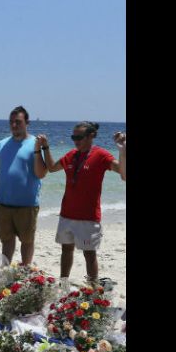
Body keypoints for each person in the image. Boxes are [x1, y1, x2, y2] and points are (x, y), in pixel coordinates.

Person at [33, 122, 126, 288]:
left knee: (89, 254)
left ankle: (93, 287)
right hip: (66, 214)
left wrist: (122, 151)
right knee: (66, 250)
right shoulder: (72, 154)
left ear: (91, 136)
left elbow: (123, 173)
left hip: (89, 216)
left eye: (79, 137)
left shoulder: (102, 155)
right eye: (73, 137)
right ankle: (63, 284)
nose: (75, 140)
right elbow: (53, 168)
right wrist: (45, 148)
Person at [0, 105, 43, 265]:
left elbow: (41, 173)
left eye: (18, 122)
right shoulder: (1, 145)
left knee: (27, 241)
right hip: (4, 203)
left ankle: (26, 270)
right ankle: (5, 271)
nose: (14, 125)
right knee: (6, 242)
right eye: (11, 122)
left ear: (27, 123)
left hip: (27, 204)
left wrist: (41, 149)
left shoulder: (36, 144)